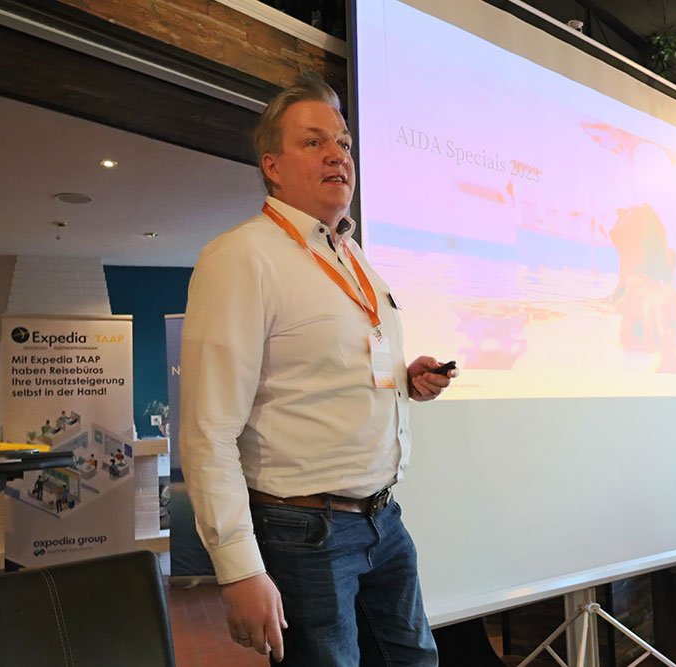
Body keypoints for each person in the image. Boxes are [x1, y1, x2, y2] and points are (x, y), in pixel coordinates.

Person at [180, 79, 457, 666]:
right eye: (314, 142)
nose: (338, 155)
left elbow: (323, 371)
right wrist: (238, 568)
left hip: (383, 520)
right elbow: (208, 431)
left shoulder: (352, 255)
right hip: (303, 531)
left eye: (344, 143)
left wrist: (406, 378)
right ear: (272, 166)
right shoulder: (241, 257)